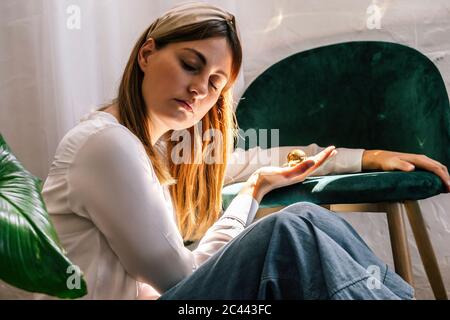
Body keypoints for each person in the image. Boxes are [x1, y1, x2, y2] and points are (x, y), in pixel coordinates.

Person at [40, 2, 449, 300]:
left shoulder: (162, 150)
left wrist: (363, 156)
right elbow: (181, 281)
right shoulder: (108, 145)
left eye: (216, 82)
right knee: (292, 228)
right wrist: (254, 195)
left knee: (308, 221)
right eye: (190, 63)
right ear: (147, 54)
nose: (200, 88)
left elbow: (255, 160)